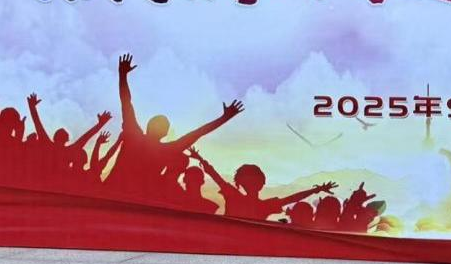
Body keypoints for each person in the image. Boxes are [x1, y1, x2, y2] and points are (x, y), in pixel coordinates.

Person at [106, 53, 244, 199]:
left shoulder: (139, 137)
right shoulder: (162, 148)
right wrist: (224, 118)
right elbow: (199, 133)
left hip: (123, 196)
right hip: (123, 197)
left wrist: (122, 75)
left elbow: (126, 102)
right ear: (164, 133)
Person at [189, 149, 335, 221]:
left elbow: (292, 198)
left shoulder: (260, 204)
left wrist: (317, 190)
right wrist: (317, 190)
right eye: (249, 181)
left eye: (255, 181)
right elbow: (215, 175)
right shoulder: (236, 197)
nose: (253, 184)